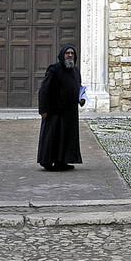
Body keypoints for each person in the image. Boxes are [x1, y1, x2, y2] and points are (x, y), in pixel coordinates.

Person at [37, 43, 85, 171]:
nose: (70, 55)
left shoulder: (75, 71)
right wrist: (43, 110)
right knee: (52, 136)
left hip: (70, 113)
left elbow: (78, 88)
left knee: (67, 138)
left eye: (72, 53)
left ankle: (62, 162)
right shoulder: (54, 69)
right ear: (62, 55)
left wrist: (81, 99)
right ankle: (47, 162)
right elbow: (44, 90)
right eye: (67, 53)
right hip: (55, 111)